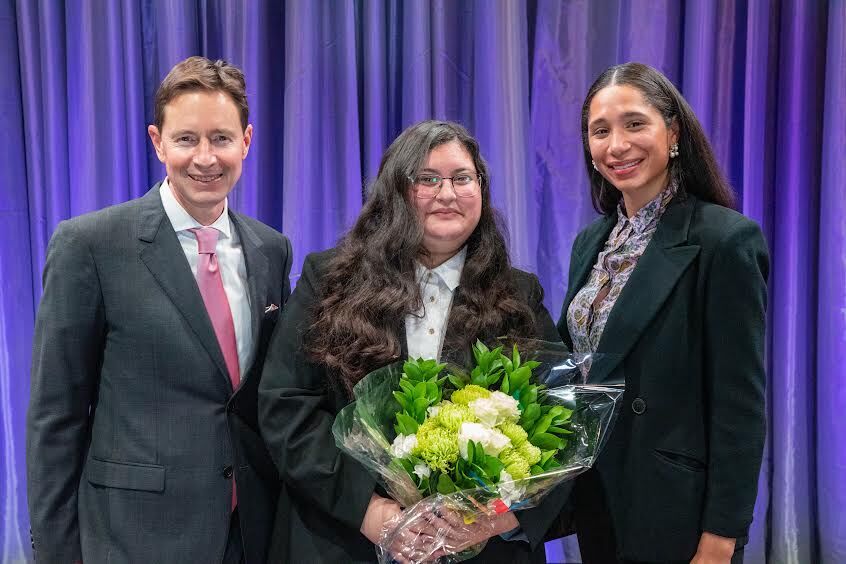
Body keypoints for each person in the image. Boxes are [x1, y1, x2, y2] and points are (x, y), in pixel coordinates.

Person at [258, 120, 565, 563]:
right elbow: (286, 407)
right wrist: (369, 510)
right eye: (427, 179)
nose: (447, 194)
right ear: (394, 193)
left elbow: (560, 421)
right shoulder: (329, 280)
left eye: (462, 178)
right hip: (344, 540)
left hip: (482, 550)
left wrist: (498, 517)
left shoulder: (519, 294)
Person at [26, 56, 292, 564]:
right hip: (134, 538)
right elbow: (54, 418)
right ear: (157, 141)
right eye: (187, 138)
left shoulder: (271, 248)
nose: (206, 158)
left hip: (251, 532)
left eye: (221, 138)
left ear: (248, 141)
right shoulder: (90, 244)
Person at [556, 62, 769, 563]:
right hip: (599, 495)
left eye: (635, 123)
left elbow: (740, 406)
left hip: (676, 508)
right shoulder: (592, 241)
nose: (616, 146)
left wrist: (721, 538)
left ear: (672, 131)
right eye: (599, 130)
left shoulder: (724, 239)